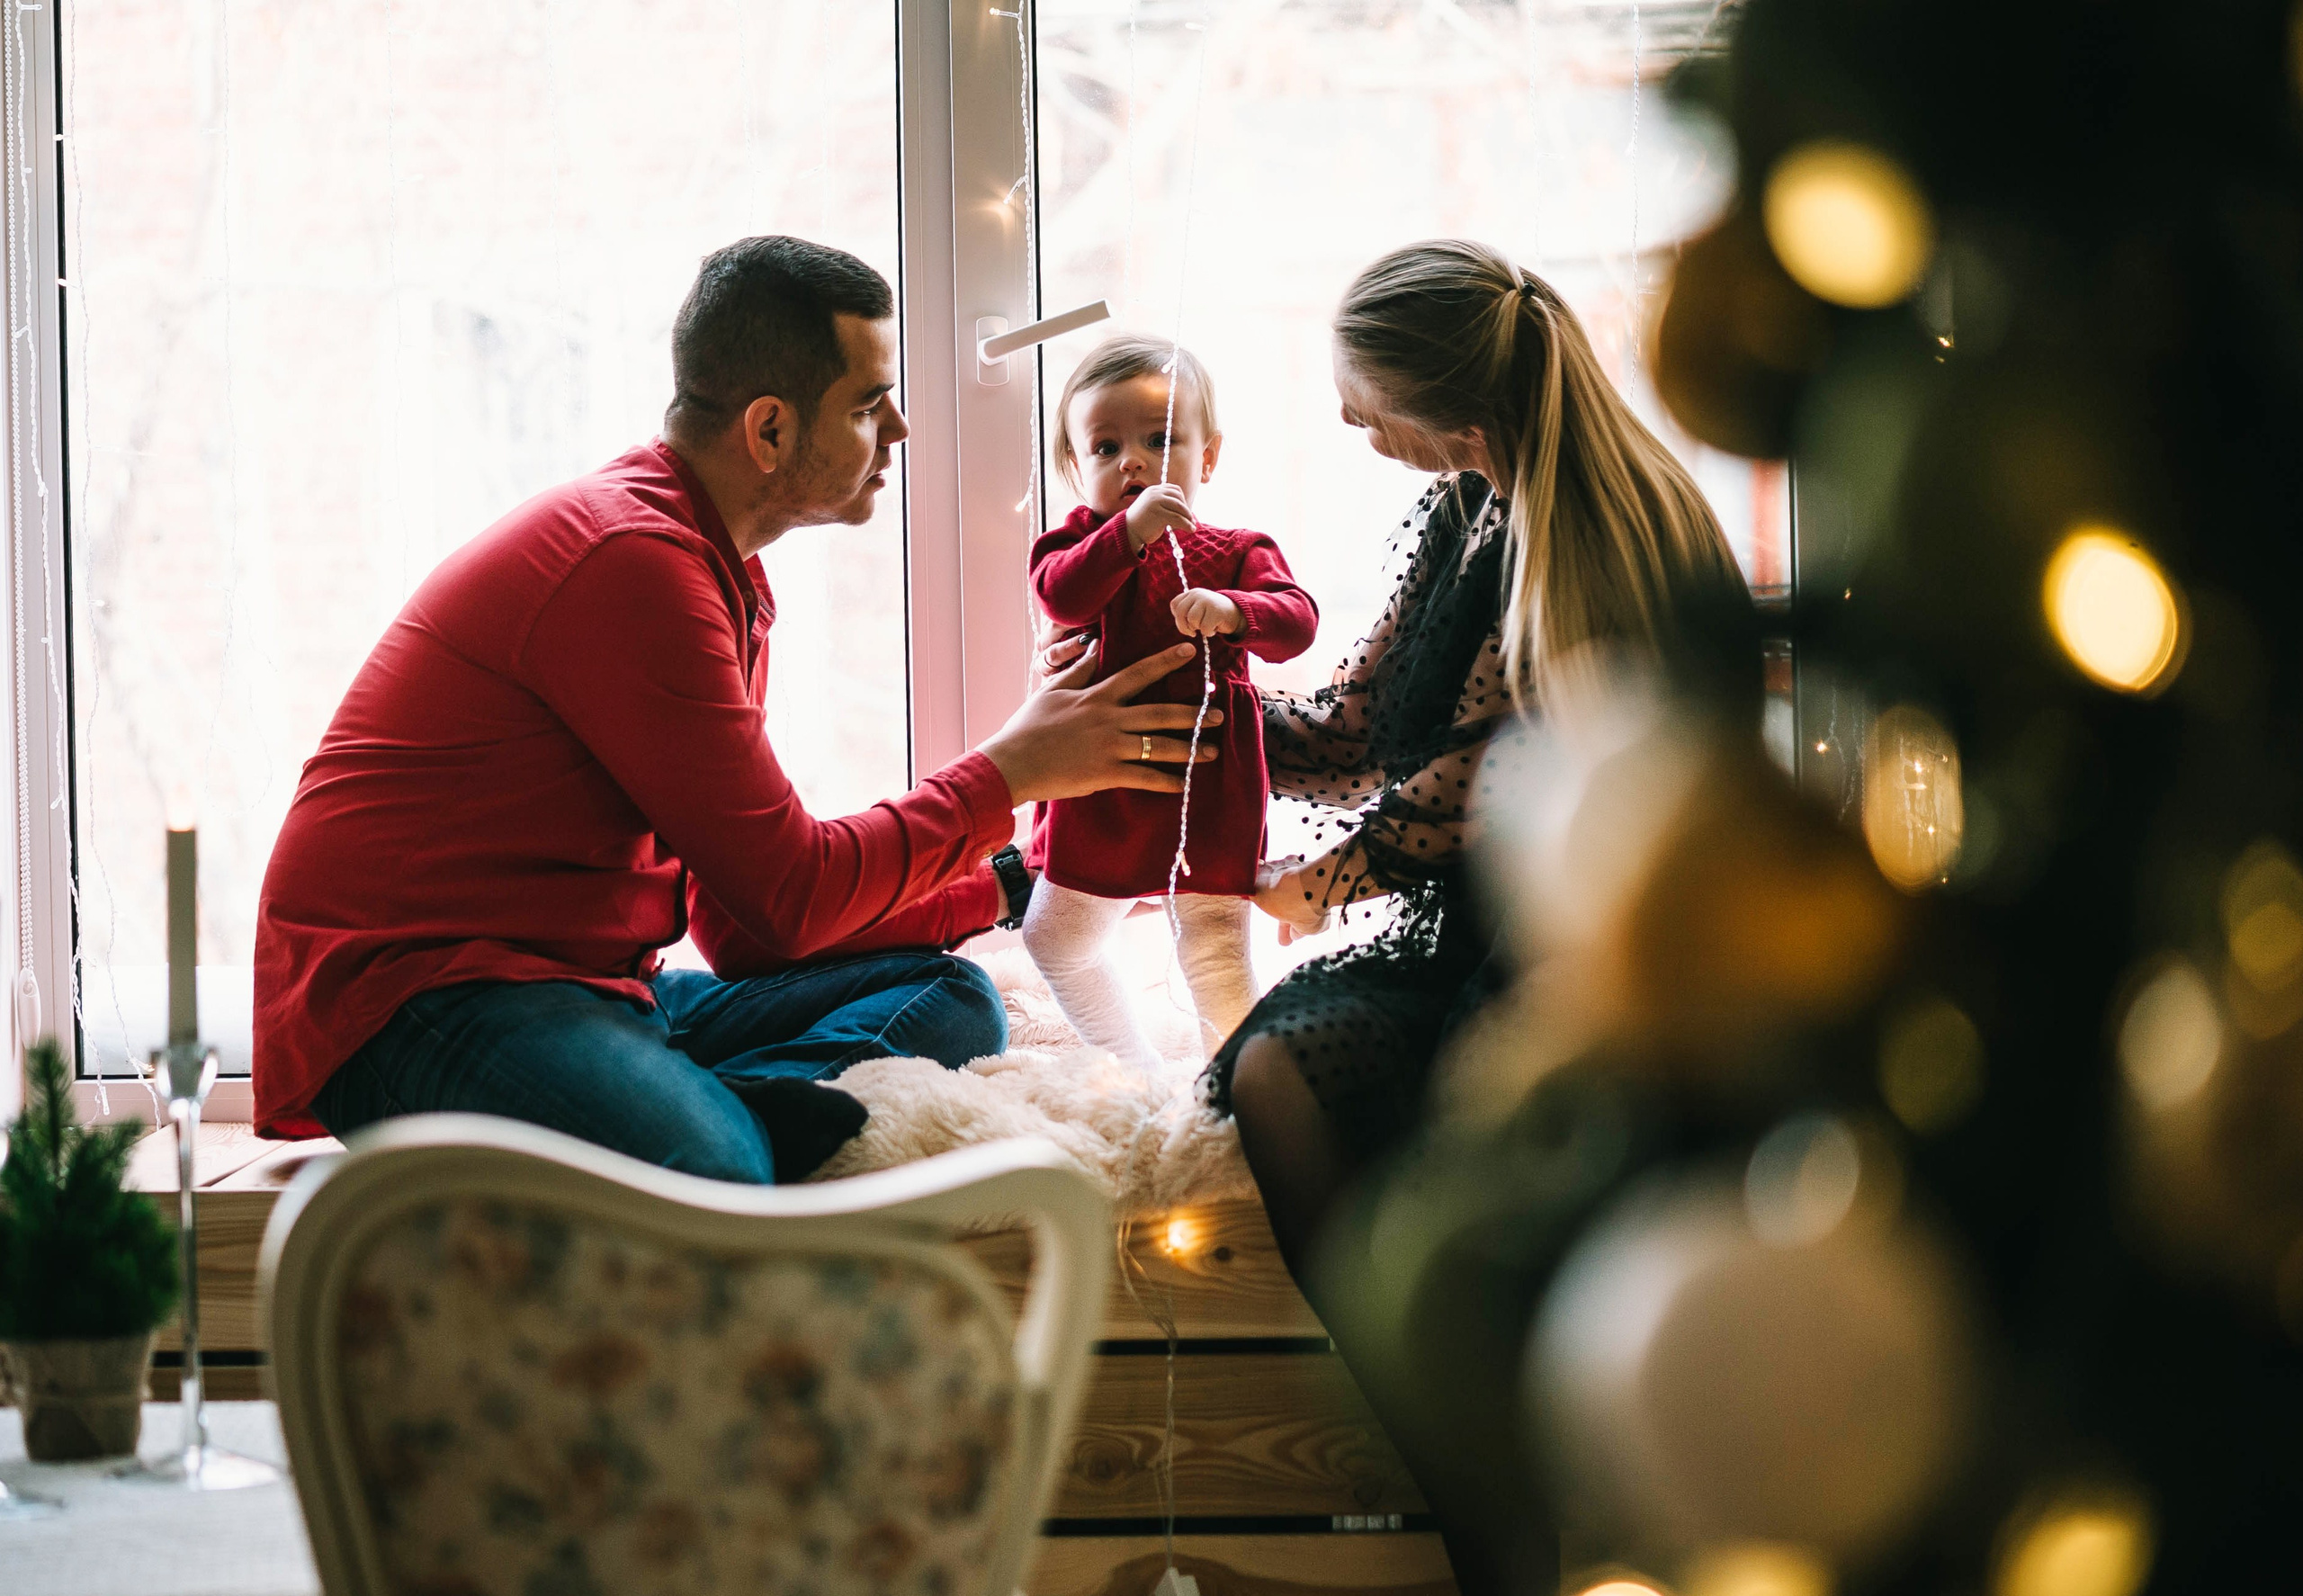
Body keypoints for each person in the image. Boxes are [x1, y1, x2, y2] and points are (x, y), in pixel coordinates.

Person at [251, 236, 1219, 1182]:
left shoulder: (714, 568)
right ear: (768, 430)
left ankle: (688, 1099)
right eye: (870, 402)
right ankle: (703, 1118)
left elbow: (750, 931)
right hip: (421, 999)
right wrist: (1011, 770)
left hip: (587, 992)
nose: (900, 431)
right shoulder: (634, 564)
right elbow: (789, 894)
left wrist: (1012, 880)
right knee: (707, 1160)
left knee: (948, 996)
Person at [1214, 239, 1750, 1592]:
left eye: (1364, 402)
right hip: (1475, 927)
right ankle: (1436, 1428)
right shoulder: (1467, 504)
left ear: (1456, 415)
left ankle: (1502, 1500)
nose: (1348, 422)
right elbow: (1354, 726)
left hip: (1599, 953)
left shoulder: (1610, 543)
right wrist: (1195, 718)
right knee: (1277, 1066)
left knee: (1378, 1100)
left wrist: (1316, 883)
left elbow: (1484, 785)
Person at [1022, 335, 1318, 1069]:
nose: (1132, 462)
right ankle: (1136, 1068)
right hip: (1101, 786)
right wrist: (1126, 534)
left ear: (1207, 458)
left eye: (1159, 441)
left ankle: (1245, 1082)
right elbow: (1061, 592)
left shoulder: (1239, 548)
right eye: (1105, 447)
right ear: (1076, 466)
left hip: (1209, 779)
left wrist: (1234, 609)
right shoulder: (1078, 543)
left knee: (1214, 949)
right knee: (1056, 936)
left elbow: (1298, 620)